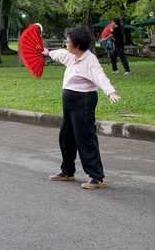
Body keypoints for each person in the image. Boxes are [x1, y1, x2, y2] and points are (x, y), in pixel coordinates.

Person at [43, 25, 121, 189]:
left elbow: (100, 77)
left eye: (68, 41)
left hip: (83, 101)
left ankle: (97, 177)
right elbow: (59, 54)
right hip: (69, 103)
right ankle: (67, 171)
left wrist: (110, 92)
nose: (66, 43)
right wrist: (47, 53)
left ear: (77, 44)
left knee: (85, 138)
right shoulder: (71, 56)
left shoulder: (90, 61)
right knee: (66, 138)